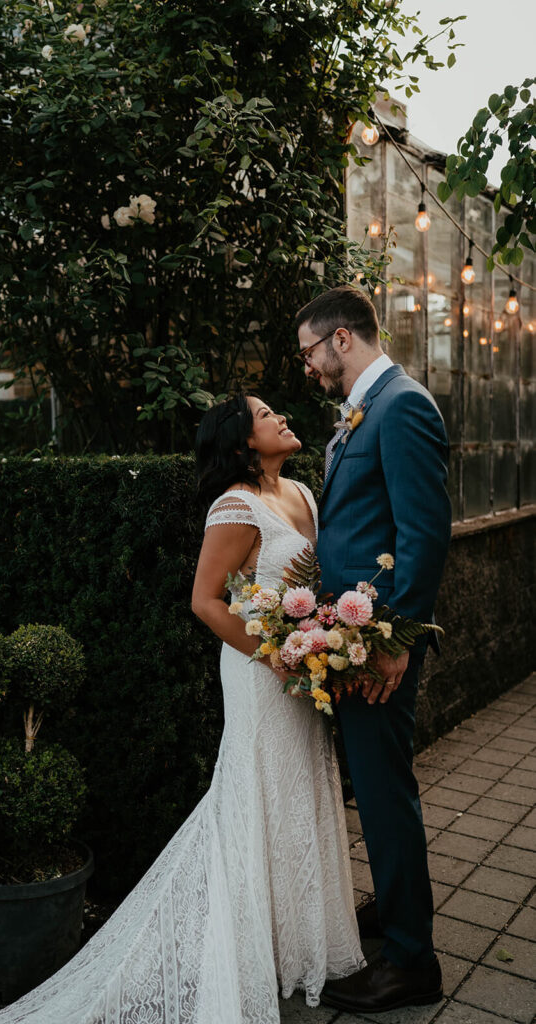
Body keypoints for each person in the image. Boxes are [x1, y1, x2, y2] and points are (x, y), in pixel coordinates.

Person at [0, 393, 364, 1024]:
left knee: (299, 789)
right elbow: (207, 602)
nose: (283, 418)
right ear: (242, 440)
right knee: (255, 791)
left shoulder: (302, 492)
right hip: (262, 673)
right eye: (267, 415)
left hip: (303, 666)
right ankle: (231, 940)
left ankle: (289, 942)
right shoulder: (234, 506)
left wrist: (326, 640)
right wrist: (279, 657)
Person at [296, 284, 452, 1014]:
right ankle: (396, 914)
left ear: (341, 339)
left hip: (379, 646)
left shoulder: (402, 405)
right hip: (352, 639)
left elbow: (423, 532)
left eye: (307, 351)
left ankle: (410, 960)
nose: (305, 368)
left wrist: (397, 642)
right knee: (377, 785)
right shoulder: (365, 408)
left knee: (385, 793)